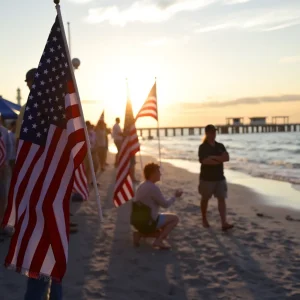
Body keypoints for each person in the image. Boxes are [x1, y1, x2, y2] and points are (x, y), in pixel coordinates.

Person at [132, 163, 182, 249]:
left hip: (137, 221)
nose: (160, 174)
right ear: (152, 174)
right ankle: (158, 241)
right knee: (175, 218)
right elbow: (165, 204)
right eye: (158, 172)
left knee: (163, 228)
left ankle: (139, 234)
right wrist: (175, 196)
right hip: (148, 222)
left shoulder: (142, 185)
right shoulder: (152, 187)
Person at [198, 124, 234, 231]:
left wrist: (213, 158)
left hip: (220, 177)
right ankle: (204, 218)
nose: (214, 134)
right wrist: (219, 159)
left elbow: (227, 158)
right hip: (207, 178)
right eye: (211, 132)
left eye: (214, 132)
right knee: (205, 199)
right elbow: (205, 161)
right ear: (207, 133)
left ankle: (224, 223)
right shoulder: (203, 147)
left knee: (222, 199)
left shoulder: (220, 145)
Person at [15, 68, 37, 142]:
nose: (27, 84)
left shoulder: (25, 108)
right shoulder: (53, 103)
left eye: (28, 81)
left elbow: (18, 138)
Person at [0, 114, 13, 230]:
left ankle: (2, 223)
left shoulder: (4, 132)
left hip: (3, 168)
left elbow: (9, 148)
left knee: (3, 196)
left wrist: (6, 162)